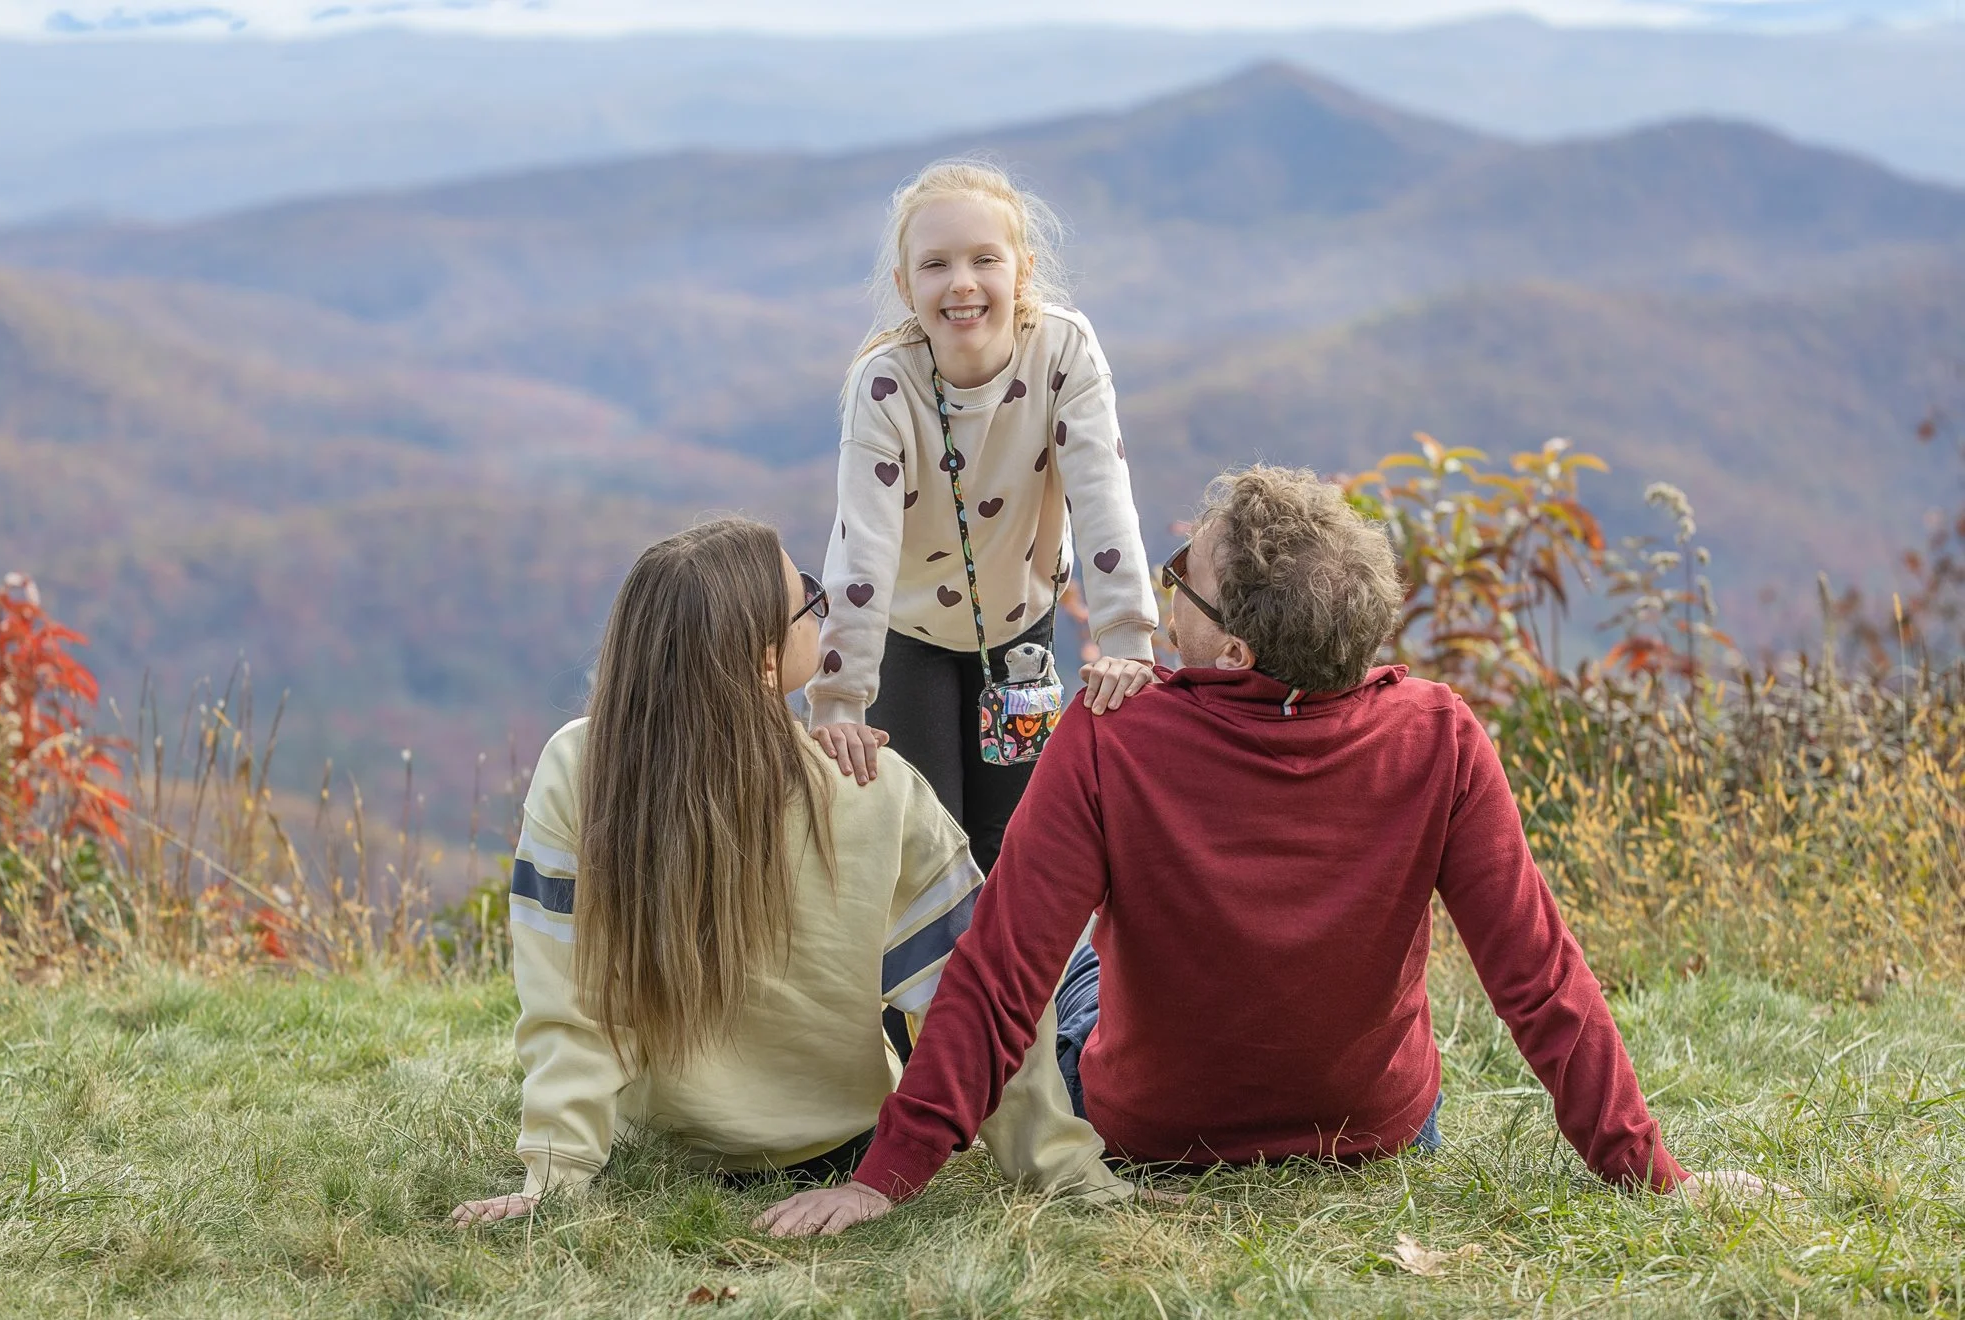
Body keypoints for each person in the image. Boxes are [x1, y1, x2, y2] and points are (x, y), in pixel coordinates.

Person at [758, 466, 1775, 1237]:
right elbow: (1538, 979)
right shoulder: (1437, 734)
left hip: (1153, 1135)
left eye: (1180, 579)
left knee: (1061, 960)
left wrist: (883, 1176)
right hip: (1374, 1128)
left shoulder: (1113, 738)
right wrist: (1652, 1174)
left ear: (1235, 650)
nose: (1162, 590)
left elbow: (997, 977)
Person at [450, 518, 1123, 1227]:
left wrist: (554, 1175)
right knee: (1080, 962)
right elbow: (974, 997)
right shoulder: (874, 789)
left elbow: (570, 1005)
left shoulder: (578, 768)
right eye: (808, 598)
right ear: (766, 662)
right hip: (837, 1149)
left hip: (656, 1145)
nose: (819, 601)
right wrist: (1060, 1168)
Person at [805, 157, 1160, 880]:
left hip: (1022, 627)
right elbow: (862, 551)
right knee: (928, 846)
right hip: (908, 635)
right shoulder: (886, 384)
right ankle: (935, 963)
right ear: (905, 287)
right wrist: (840, 699)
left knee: (1015, 843)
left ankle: (1009, 962)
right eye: (935, 264)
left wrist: (1127, 639)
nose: (962, 282)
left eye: (984, 259)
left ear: (1023, 271)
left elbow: (1102, 497)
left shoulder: (1063, 351)